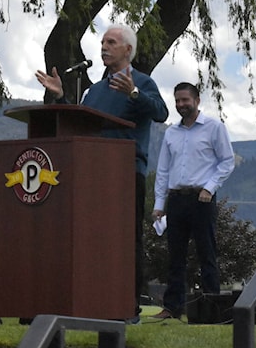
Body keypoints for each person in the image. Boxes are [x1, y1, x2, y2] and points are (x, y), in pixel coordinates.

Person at [35, 23, 169, 323]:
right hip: (90, 175)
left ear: (128, 50)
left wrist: (134, 93)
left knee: (125, 240)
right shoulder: (94, 90)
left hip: (124, 172)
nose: (104, 47)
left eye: (111, 42)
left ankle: (127, 305)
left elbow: (161, 113)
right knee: (91, 239)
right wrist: (60, 98)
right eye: (102, 42)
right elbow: (81, 124)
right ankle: (93, 301)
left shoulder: (143, 82)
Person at [151, 82, 235, 320]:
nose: (181, 105)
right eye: (177, 101)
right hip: (177, 200)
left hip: (202, 199)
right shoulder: (171, 133)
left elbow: (227, 162)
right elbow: (163, 170)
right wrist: (159, 204)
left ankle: (211, 307)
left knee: (206, 253)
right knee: (175, 256)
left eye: (185, 100)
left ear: (197, 100)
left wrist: (210, 187)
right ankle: (172, 308)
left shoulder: (214, 128)